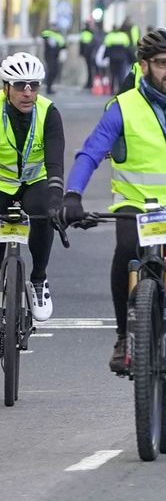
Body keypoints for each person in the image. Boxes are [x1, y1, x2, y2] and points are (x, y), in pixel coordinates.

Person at [58, 27, 166, 405]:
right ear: (144, 66)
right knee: (126, 255)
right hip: (136, 206)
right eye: (162, 64)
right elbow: (90, 153)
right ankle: (126, 335)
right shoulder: (123, 107)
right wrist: (72, 195)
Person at [0, 53, 64, 321]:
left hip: (34, 182)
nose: (27, 92)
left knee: (44, 213)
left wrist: (57, 198)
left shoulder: (49, 112)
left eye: (33, 85)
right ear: (6, 88)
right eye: (19, 86)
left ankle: (39, 278)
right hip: (2, 184)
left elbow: (55, 162)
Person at [98, 21, 135, 91]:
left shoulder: (109, 36)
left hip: (112, 59)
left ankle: (112, 89)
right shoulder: (123, 36)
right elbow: (127, 48)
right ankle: (120, 89)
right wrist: (131, 58)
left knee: (112, 74)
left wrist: (104, 57)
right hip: (122, 59)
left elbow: (106, 48)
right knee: (121, 74)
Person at [39, 27, 66, 94]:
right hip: (49, 56)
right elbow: (44, 35)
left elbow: (63, 45)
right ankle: (48, 88)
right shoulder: (49, 34)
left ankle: (49, 87)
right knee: (51, 71)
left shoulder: (58, 36)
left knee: (54, 72)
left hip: (55, 56)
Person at [79, 23, 98, 90]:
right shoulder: (91, 33)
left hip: (88, 54)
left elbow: (82, 44)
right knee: (90, 69)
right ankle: (90, 83)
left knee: (89, 69)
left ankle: (90, 83)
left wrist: (81, 53)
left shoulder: (84, 33)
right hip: (90, 54)